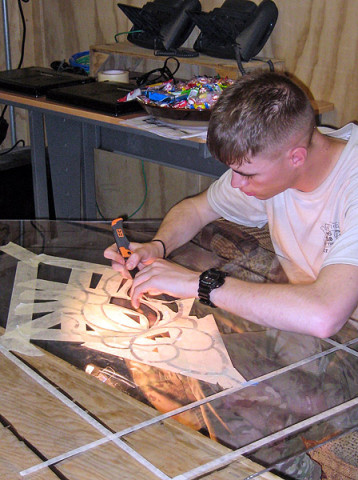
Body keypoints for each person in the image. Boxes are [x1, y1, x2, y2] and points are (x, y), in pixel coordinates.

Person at [104, 70, 358, 338]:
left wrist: (199, 284)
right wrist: (158, 246)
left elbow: (323, 316)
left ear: (296, 158)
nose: (235, 184)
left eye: (247, 174)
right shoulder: (279, 160)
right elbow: (197, 209)